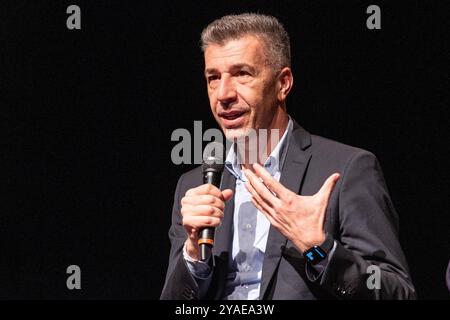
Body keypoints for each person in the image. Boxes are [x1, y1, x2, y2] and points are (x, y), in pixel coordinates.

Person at [160, 13, 416, 300]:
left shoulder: (347, 168)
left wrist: (319, 248)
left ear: (283, 83)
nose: (223, 94)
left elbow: (398, 293)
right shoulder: (194, 185)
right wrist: (194, 256)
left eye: (242, 74)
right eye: (213, 78)